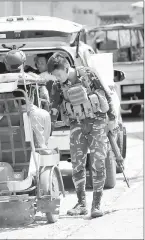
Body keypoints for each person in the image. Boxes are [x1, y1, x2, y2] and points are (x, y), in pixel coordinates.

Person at [47, 52, 118, 218]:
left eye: (58, 74)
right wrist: (48, 125)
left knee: (98, 163)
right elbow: (54, 106)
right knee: (77, 165)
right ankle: (81, 203)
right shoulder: (57, 86)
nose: (57, 78)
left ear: (66, 68)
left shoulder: (88, 74)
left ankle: (96, 204)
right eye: (54, 76)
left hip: (97, 122)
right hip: (76, 124)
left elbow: (106, 95)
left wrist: (112, 119)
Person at [3, 50, 52, 148]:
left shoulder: (2, 79)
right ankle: (41, 147)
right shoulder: (32, 77)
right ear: (23, 63)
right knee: (45, 116)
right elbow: (45, 98)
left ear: (6, 65)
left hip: (7, 117)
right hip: (31, 113)